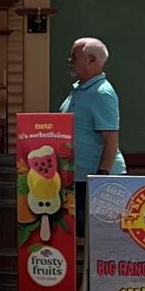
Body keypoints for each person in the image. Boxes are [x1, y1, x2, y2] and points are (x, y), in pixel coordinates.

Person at [61, 37, 126, 233]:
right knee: (78, 235)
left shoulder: (101, 93)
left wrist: (101, 178)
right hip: (76, 176)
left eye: (74, 56)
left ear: (91, 60)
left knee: (96, 238)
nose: (69, 60)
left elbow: (111, 139)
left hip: (94, 180)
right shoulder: (78, 89)